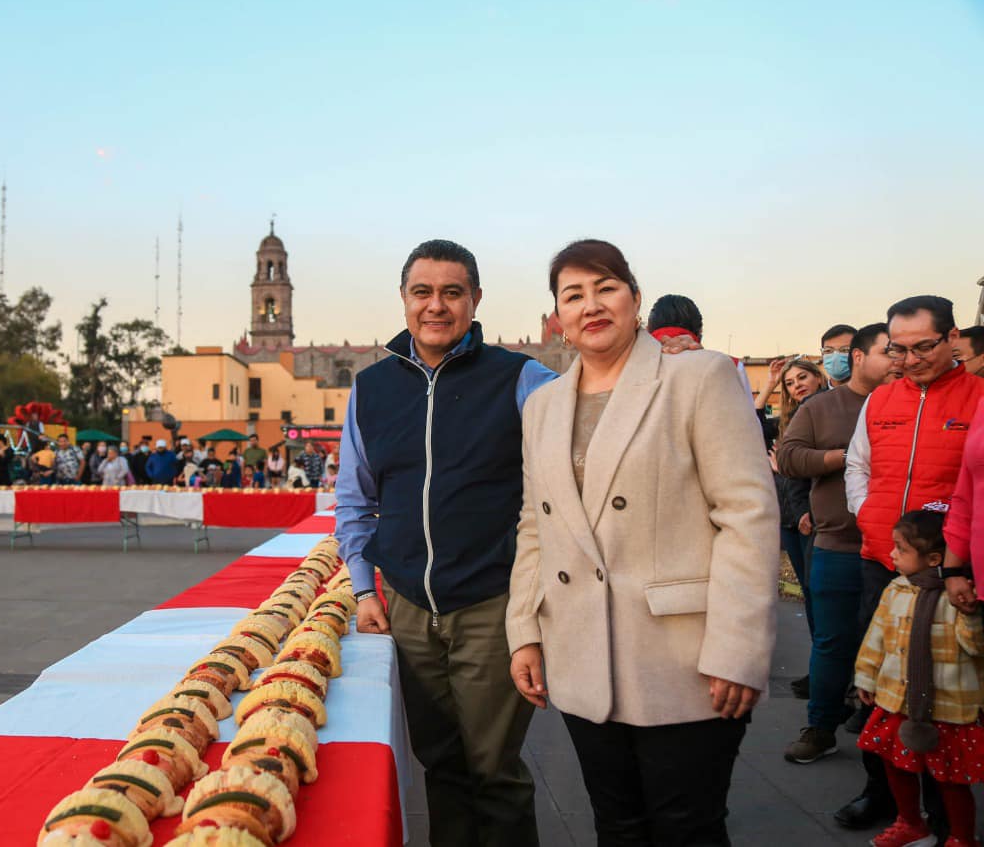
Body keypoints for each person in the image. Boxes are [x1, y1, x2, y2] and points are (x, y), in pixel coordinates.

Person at [507, 239, 778, 845]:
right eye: (573, 295)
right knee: (618, 824)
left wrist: (737, 648)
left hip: (683, 655)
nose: (591, 305)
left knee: (688, 827)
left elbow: (747, 515)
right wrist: (524, 628)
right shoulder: (543, 406)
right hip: (579, 651)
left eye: (606, 288)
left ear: (635, 299)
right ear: (557, 316)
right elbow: (535, 525)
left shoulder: (697, 378)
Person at [338, 238, 558, 847]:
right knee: (441, 766)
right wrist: (363, 589)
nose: (437, 306)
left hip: (490, 604)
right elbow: (356, 501)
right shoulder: (371, 389)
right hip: (407, 608)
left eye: (452, 292)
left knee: (495, 771)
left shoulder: (521, 377)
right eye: (423, 292)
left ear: (475, 300)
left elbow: (581, 448)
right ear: (405, 300)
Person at [844, 295, 984, 832]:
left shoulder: (975, 399)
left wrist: (955, 561)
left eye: (924, 346)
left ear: (953, 339)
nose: (911, 358)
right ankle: (885, 798)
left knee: (943, 697)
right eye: (898, 349)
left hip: (947, 572)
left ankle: (950, 818)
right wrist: (868, 514)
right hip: (882, 563)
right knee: (881, 691)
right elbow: (858, 465)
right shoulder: (880, 400)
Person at [778, 324, 899, 767]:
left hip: (899, 553)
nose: (899, 360)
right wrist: (842, 457)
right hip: (838, 545)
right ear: (860, 358)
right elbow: (789, 458)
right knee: (831, 643)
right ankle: (821, 727)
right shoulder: (821, 407)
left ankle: (884, 739)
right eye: (890, 351)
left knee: (892, 649)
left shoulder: (910, 404)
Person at [853, 509, 984, 847]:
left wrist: (970, 614)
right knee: (895, 764)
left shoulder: (958, 596)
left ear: (934, 558)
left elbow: (975, 648)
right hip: (896, 699)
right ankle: (911, 823)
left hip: (948, 707)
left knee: (951, 779)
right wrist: (865, 676)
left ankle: (962, 837)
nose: (892, 553)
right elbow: (876, 637)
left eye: (901, 548)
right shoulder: (895, 589)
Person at [771, 357, 828, 654]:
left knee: (818, 594)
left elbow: (810, 467)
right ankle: (819, 664)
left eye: (802, 378)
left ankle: (824, 666)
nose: (797, 386)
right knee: (810, 594)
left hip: (809, 516)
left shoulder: (824, 408)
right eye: (790, 383)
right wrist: (769, 384)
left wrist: (785, 467)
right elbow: (750, 419)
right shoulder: (793, 416)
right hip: (793, 517)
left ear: (818, 377)